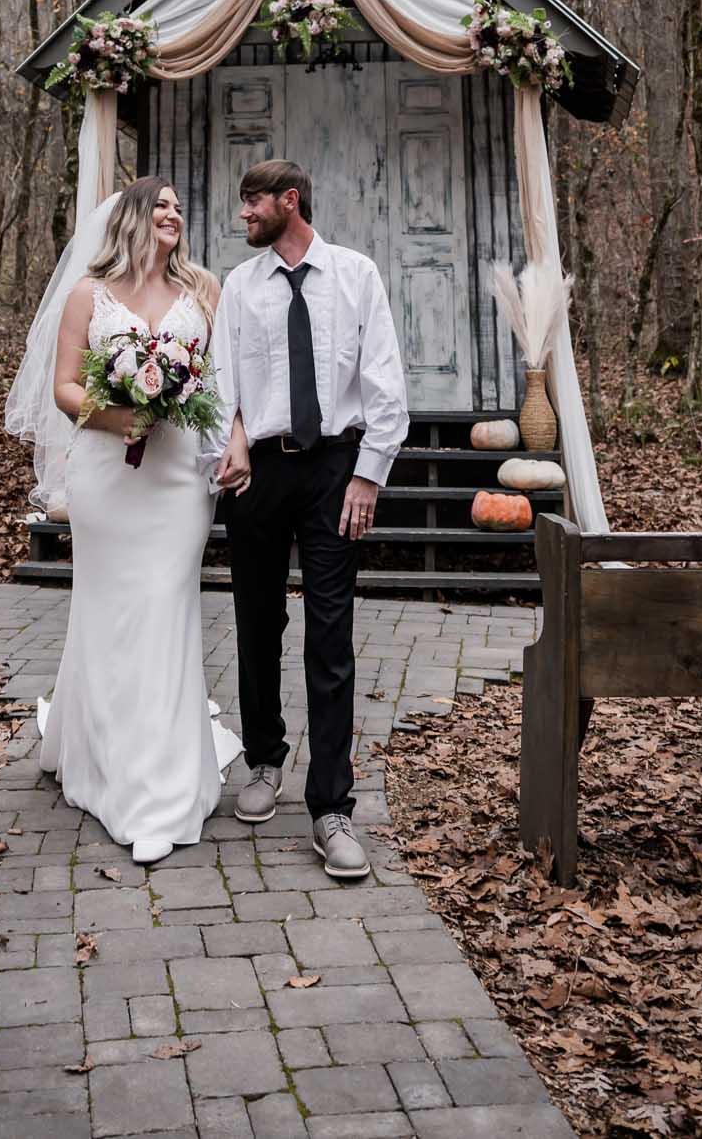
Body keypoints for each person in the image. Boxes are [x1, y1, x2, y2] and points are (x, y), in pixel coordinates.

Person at [27, 176, 243, 865]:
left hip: (179, 476)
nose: (173, 214)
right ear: (129, 218)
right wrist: (125, 415)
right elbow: (63, 386)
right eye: (161, 205)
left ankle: (157, 791)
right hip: (104, 475)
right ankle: (95, 748)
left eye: (180, 206)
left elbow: (226, 380)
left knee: (162, 607)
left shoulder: (204, 291)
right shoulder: (88, 294)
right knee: (109, 610)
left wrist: (232, 442)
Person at [212, 158, 409, 880]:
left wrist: (368, 475)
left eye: (251, 203)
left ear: (288, 201)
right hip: (258, 473)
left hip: (334, 471)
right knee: (256, 623)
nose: (243, 216)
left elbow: (384, 380)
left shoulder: (355, 276)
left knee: (332, 636)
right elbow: (217, 379)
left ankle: (331, 809)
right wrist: (229, 442)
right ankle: (264, 760)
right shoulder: (239, 286)